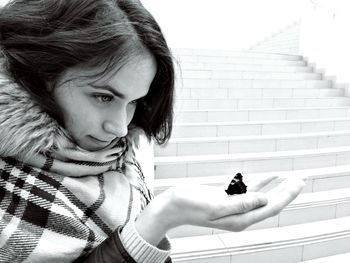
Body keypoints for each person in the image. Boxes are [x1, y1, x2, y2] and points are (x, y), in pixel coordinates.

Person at [0, 0, 306, 262]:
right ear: (37, 73)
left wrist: (162, 216)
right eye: (103, 97)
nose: (120, 127)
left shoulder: (119, 150)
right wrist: (158, 220)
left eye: (135, 101)